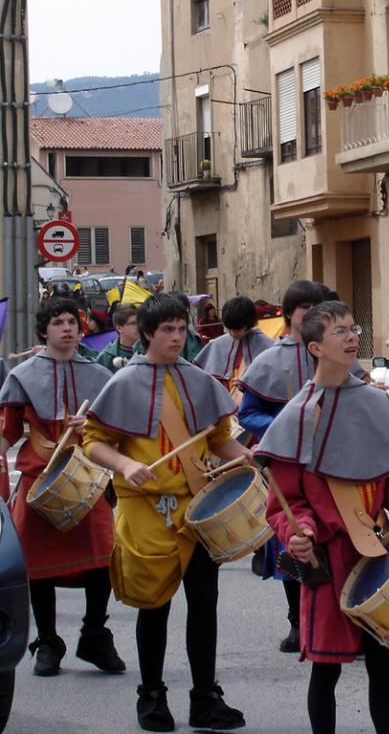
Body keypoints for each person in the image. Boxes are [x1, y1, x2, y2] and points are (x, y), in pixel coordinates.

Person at [258, 300, 389, 734]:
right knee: (326, 667)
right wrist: (300, 534)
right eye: (339, 331)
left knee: (383, 663)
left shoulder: (374, 403)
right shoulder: (298, 414)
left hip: (376, 554)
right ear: (315, 347)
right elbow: (285, 503)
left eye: (353, 328)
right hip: (329, 557)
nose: (352, 337)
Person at [84, 293, 252, 732]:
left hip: (197, 509)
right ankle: (152, 697)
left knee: (204, 604)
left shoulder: (199, 381)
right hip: (146, 511)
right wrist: (125, 464)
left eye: (182, 330)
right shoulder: (122, 383)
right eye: (167, 331)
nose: (177, 338)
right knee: (153, 607)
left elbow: (219, 440)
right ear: (146, 335)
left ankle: (204, 698)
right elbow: (93, 440)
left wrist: (246, 458)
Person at [0, 299, 124, 677]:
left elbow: (116, 432)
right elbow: (7, 432)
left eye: (72, 321)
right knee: (37, 567)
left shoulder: (100, 375)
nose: (67, 328)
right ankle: (49, 642)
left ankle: (94, 634)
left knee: (104, 556)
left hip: (87, 477)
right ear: (44, 331)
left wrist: (93, 430)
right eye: (58, 322)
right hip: (40, 479)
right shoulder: (22, 376)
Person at [236, 279, 328, 654]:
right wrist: (282, 428)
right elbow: (248, 415)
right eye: (303, 307)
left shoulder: (333, 354)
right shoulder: (269, 360)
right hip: (287, 465)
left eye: (315, 307)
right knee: (293, 542)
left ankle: (335, 619)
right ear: (289, 313)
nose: (309, 314)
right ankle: (297, 622)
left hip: (330, 464)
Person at [194, 296, 275, 396]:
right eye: (230, 330)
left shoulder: (267, 345)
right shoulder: (218, 344)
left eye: (237, 330)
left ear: (248, 324)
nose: (232, 334)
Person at [97, 304, 140, 372]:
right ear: (119, 328)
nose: (139, 326)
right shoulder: (105, 358)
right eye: (133, 323)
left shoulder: (149, 351)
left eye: (140, 322)